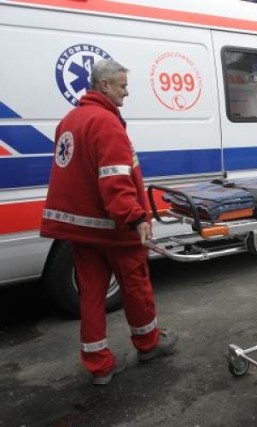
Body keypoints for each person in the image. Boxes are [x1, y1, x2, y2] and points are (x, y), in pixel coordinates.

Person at [40, 59, 178, 386]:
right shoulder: (106, 123)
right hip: (114, 230)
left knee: (91, 295)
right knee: (136, 286)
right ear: (104, 86)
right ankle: (148, 344)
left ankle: (98, 364)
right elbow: (114, 180)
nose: (126, 93)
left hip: (83, 231)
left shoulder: (70, 121)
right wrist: (135, 219)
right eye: (122, 86)